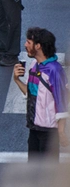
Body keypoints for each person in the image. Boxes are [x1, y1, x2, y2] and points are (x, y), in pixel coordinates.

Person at [13, 26, 67, 158]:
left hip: (49, 132)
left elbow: (62, 101)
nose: (25, 45)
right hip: (34, 128)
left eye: (28, 42)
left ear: (38, 46)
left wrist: (61, 132)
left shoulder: (55, 70)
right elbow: (30, 93)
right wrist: (16, 80)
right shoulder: (34, 66)